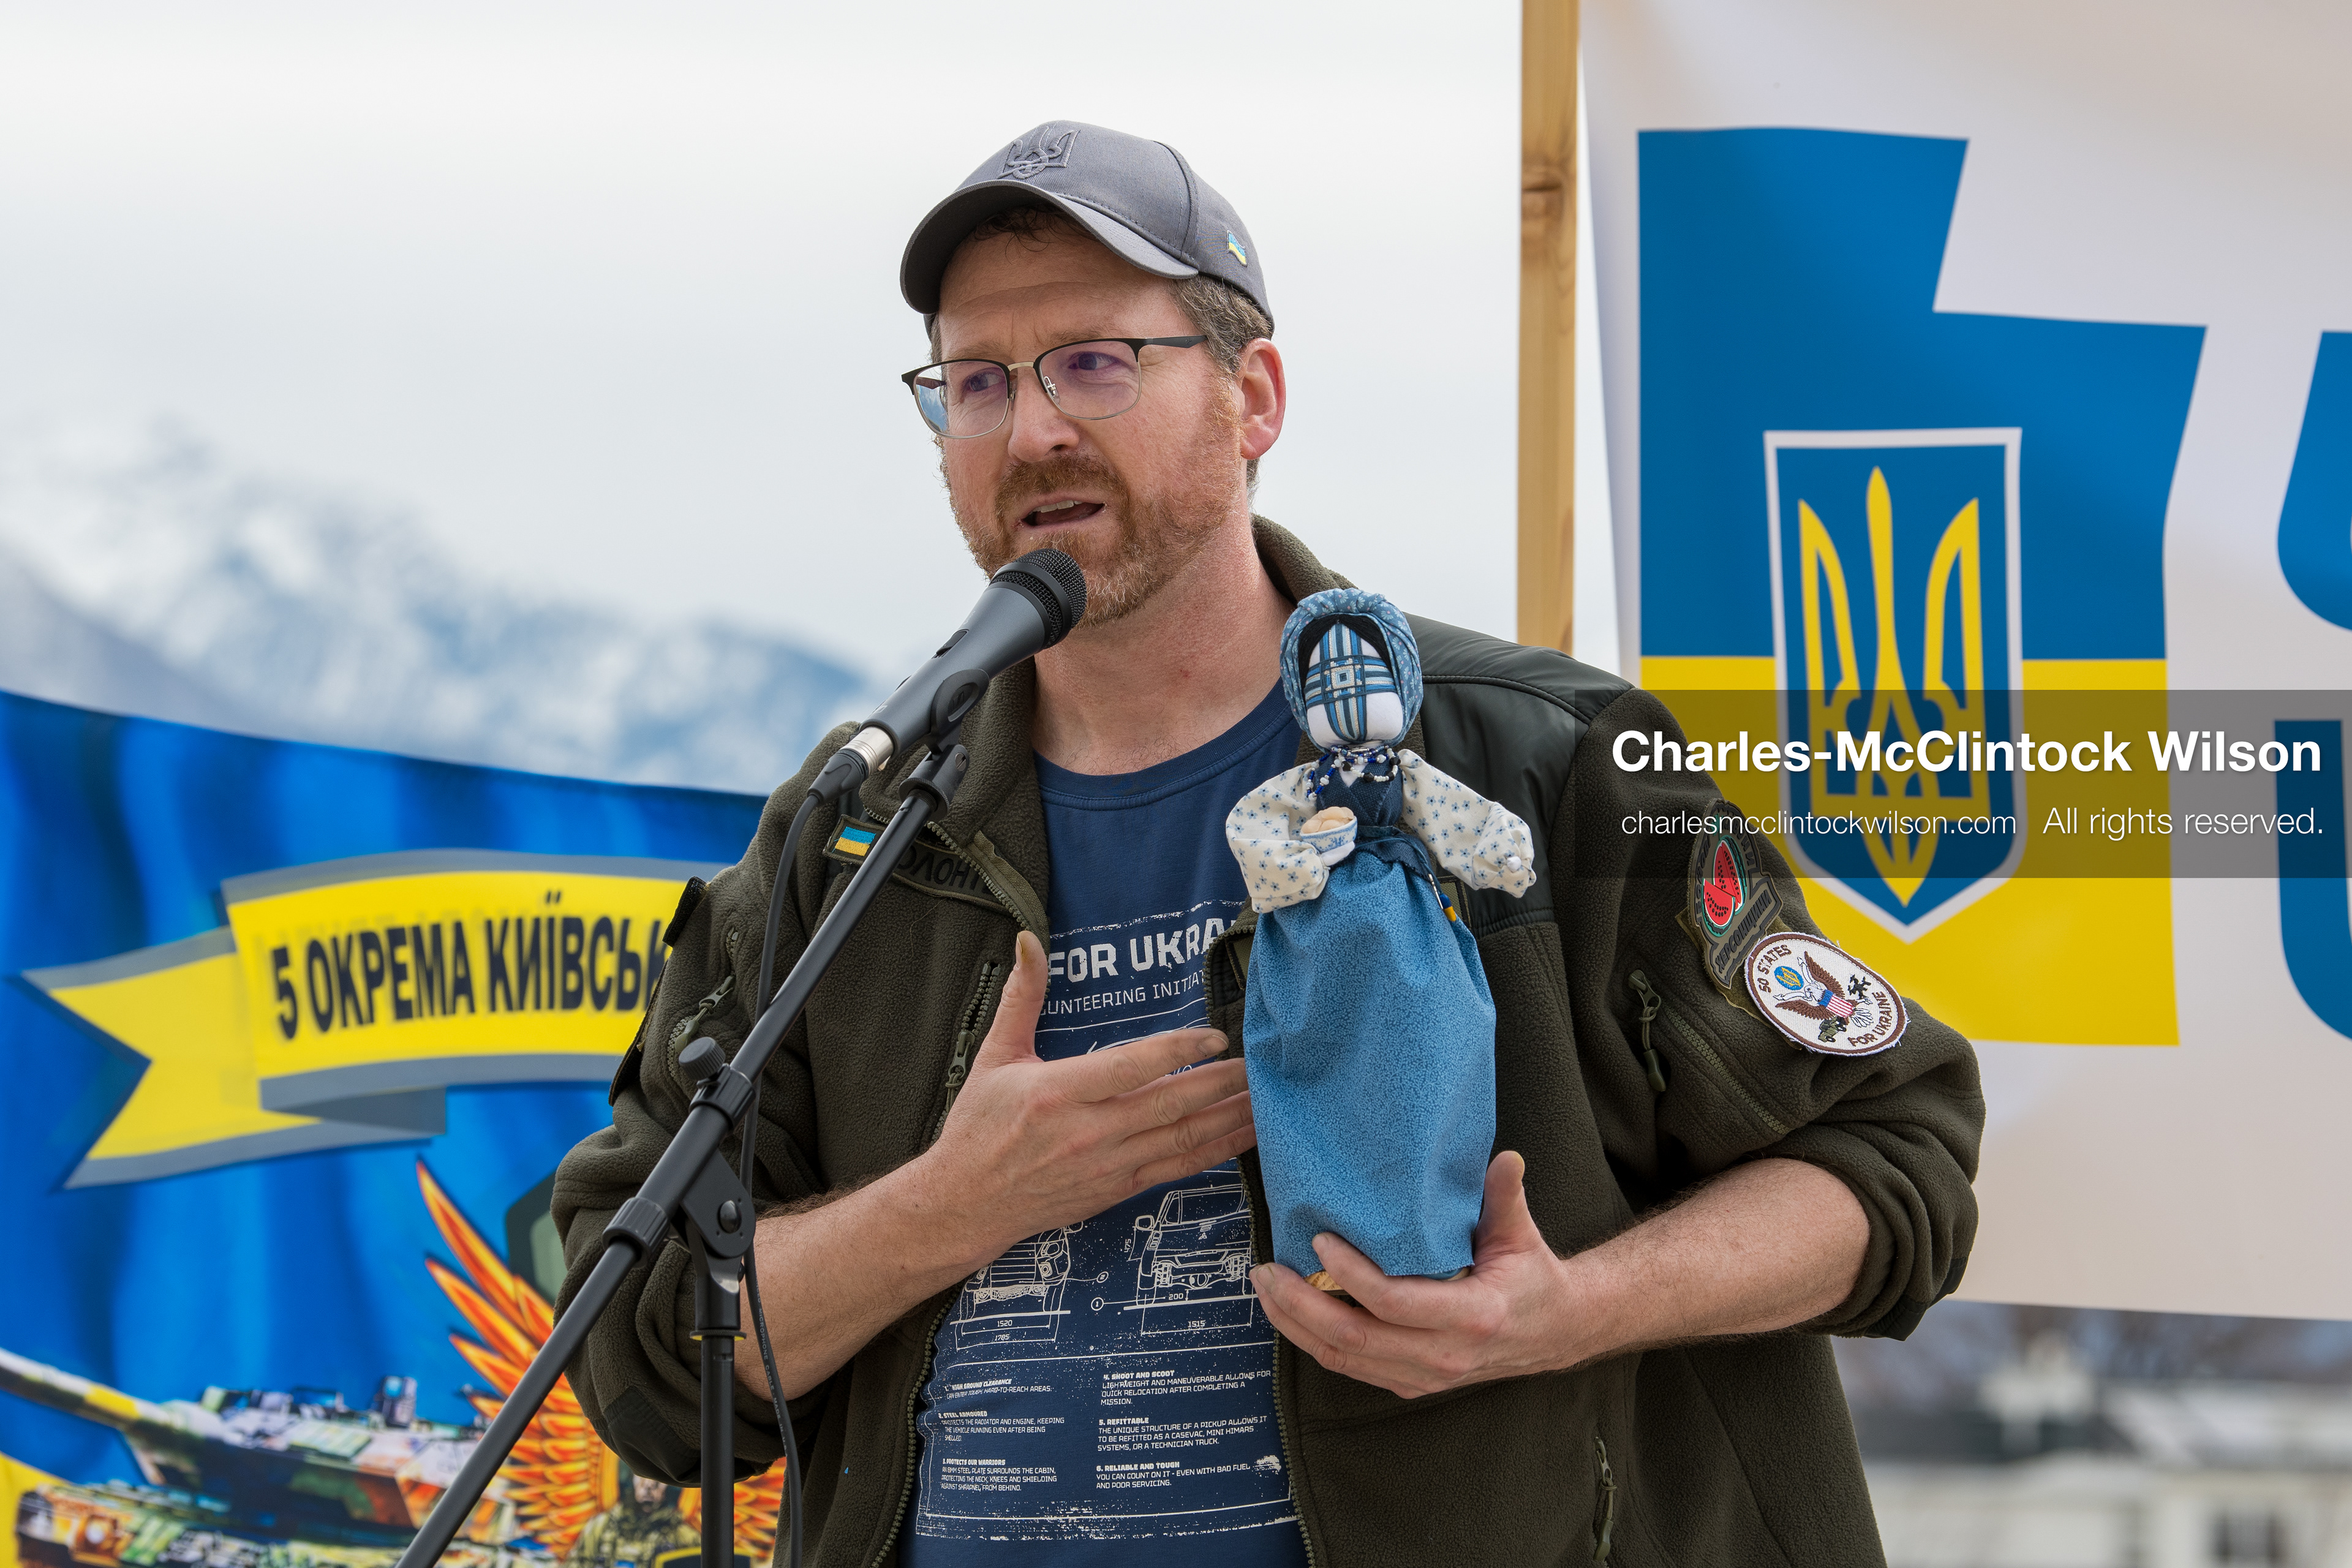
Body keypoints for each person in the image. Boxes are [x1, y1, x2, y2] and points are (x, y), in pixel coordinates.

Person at [554, 120, 1984, 1567]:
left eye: (1096, 361)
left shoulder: (1545, 759)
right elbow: (636, 1349)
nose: (1033, 427)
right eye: (975, 382)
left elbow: (1896, 1160)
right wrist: (948, 1206)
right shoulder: (853, 833)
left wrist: (1568, 1310)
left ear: (1255, 397)